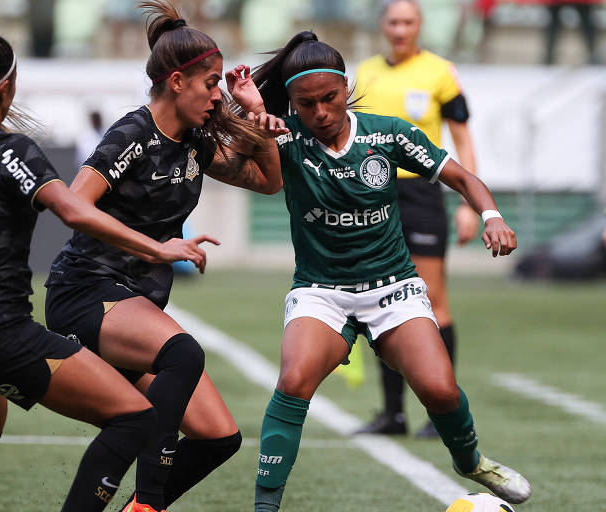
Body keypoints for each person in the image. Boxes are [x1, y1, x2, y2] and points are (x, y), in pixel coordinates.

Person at [0, 18, 217, 512]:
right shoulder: (12, 150)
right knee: (135, 417)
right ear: (5, 85)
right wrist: (159, 248)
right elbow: (75, 209)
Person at [228, 30, 532, 511]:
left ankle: (471, 462)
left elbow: (461, 177)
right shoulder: (282, 137)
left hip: (392, 287)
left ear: (346, 87)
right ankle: (265, 507)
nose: (320, 112)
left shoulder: (387, 133)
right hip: (321, 291)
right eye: (306, 104)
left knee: (440, 389)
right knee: (293, 381)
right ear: (291, 102)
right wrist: (245, 111)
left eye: (329, 98)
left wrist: (491, 216)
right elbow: (225, 158)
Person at [43, 2, 287, 511]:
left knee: (218, 437)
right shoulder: (131, 135)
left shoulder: (195, 143)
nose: (219, 95)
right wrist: (158, 247)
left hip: (135, 306)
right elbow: (72, 205)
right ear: (177, 81)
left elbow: (269, 182)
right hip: (86, 291)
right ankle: (147, 504)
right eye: (211, 83)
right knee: (184, 354)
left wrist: (261, 123)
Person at [352, 0, 480, 438]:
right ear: (383, 26)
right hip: (374, 195)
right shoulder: (366, 72)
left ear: (419, 25)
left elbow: (462, 137)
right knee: (380, 300)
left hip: (423, 194)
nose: (401, 29)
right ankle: (393, 414)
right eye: (394, 21)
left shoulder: (440, 72)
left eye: (408, 21)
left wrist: (469, 202)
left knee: (433, 300)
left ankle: (442, 412)